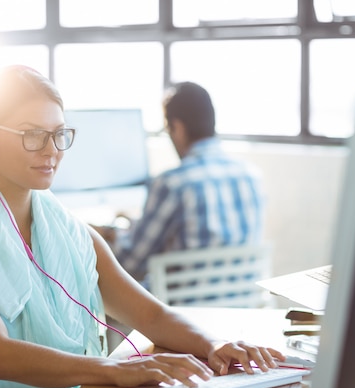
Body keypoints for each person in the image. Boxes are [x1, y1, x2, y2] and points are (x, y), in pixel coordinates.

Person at [0, 65, 284, 388]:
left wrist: (215, 345)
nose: (52, 151)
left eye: (59, 134)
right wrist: (117, 371)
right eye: (32, 134)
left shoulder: (74, 233)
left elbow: (149, 313)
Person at [98, 82, 264, 282]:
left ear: (177, 127)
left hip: (179, 309)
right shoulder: (250, 176)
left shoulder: (172, 183)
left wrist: (107, 234)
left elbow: (130, 265)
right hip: (243, 305)